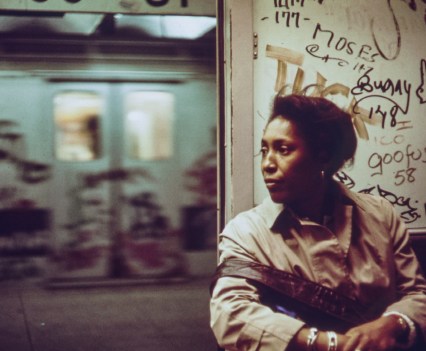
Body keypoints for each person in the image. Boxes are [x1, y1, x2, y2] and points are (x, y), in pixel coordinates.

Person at [209, 94, 426, 351]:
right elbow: (232, 314)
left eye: (283, 149)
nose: (267, 164)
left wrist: (392, 323)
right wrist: (328, 343)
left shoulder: (380, 214)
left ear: (323, 156)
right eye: (264, 149)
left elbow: (416, 294)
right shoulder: (245, 231)